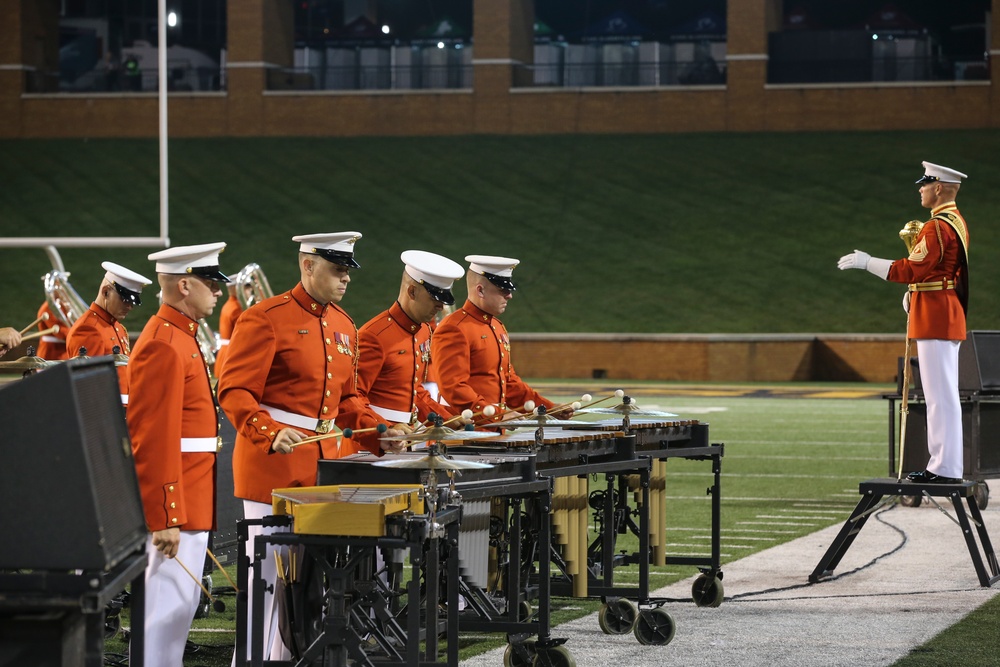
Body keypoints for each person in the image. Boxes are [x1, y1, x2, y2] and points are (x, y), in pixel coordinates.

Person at [217, 232, 407, 662]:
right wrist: (266, 430)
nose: (346, 279)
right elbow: (233, 390)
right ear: (307, 266)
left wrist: (381, 431)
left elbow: (348, 402)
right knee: (268, 583)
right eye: (337, 269)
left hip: (322, 471)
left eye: (347, 271)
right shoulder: (265, 317)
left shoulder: (344, 325)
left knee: (307, 588)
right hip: (273, 470)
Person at [126, 242, 230, 666]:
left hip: (190, 493)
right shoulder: (165, 342)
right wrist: (166, 515)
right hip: (177, 499)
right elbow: (152, 436)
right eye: (211, 283)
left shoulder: (179, 336)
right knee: (164, 612)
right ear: (185, 285)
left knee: (177, 609)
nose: (218, 292)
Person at [838, 161, 970, 484]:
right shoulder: (956, 222)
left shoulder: (936, 227)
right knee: (942, 394)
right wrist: (917, 293)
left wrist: (868, 263)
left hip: (936, 316)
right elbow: (937, 274)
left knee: (940, 396)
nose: (920, 189)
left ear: (938, 187)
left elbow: (912, 269)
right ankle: (942, 465)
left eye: (925, 184)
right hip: (939, 309)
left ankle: (944, 468)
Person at [431, 255, 561, 423]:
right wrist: (496, 414)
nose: (509, 296)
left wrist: (547, 408)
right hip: (464, 434)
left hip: (493, 429)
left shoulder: (497, 326)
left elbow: (509, 382)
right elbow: (453, 387)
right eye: (503, 290)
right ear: (480, 290)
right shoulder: (455, 328)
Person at [356, 250, 465, 431]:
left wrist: (446, 419)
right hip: (370, 444)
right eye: (435, 298)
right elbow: (353, 396)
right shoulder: (375, 335)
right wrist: (385, 427)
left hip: (404, 438)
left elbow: (413, 391)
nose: (440, 306)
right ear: (412, 291)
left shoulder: (422, 331)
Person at [66, 261, 151, 406]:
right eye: (125, 300)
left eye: (132, 302)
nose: (130, 307)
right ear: (106, 292)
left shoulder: (117, 327)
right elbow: (89, 388)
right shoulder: (89, 329)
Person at [213, 282, 243, 377]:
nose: (249, 290)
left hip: (223, 354)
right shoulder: (237, 308)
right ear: (235, 289)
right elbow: (243, 334)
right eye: (246, 287)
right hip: (233, 354)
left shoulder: (228, 305)